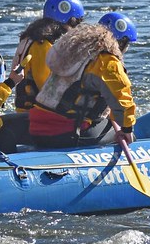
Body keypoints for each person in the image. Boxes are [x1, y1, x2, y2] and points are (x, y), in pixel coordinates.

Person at [28, 12, 138, 149]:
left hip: (36, 127)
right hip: (66, 133)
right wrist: (127, 130)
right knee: (129, 135)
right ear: (121, 43)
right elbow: (122, 100)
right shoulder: (107, 62)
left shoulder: (73, 52)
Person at [12, 0, 86, 111]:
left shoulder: (30, 38)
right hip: (36, 114)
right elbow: (46, 87)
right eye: (76, 24)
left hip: (28, 110)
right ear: (68, 22)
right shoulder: (42, 45)